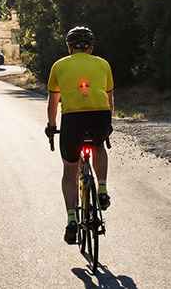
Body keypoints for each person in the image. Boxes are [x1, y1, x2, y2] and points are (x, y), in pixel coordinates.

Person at [44, 26, 114, 245]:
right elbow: (110, 100)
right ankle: (102, 188)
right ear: (91, 47)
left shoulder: (59, 65)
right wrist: (107, 124)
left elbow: (53, 102)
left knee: (70, 169)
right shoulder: (103, 64)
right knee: (99, 146)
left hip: (73, 121)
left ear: (69, 47)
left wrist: (52, 125)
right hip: (99, 116)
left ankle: (72, 220)